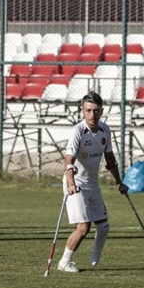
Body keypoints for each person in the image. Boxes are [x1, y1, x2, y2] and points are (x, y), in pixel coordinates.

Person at [56, 91, 128, 273]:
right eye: (88, 110)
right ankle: (64, 262)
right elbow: (68, 161)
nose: (92, 115)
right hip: (76, 184)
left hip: (92, 183)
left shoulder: (105, 130)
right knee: (83, 227)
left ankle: (95, 257)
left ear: (101, 111)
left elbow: (110, 159)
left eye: (96, 110)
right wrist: (71, 184)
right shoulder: (78, 131)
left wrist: (119, 182)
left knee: (103, 226)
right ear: (82, 111)